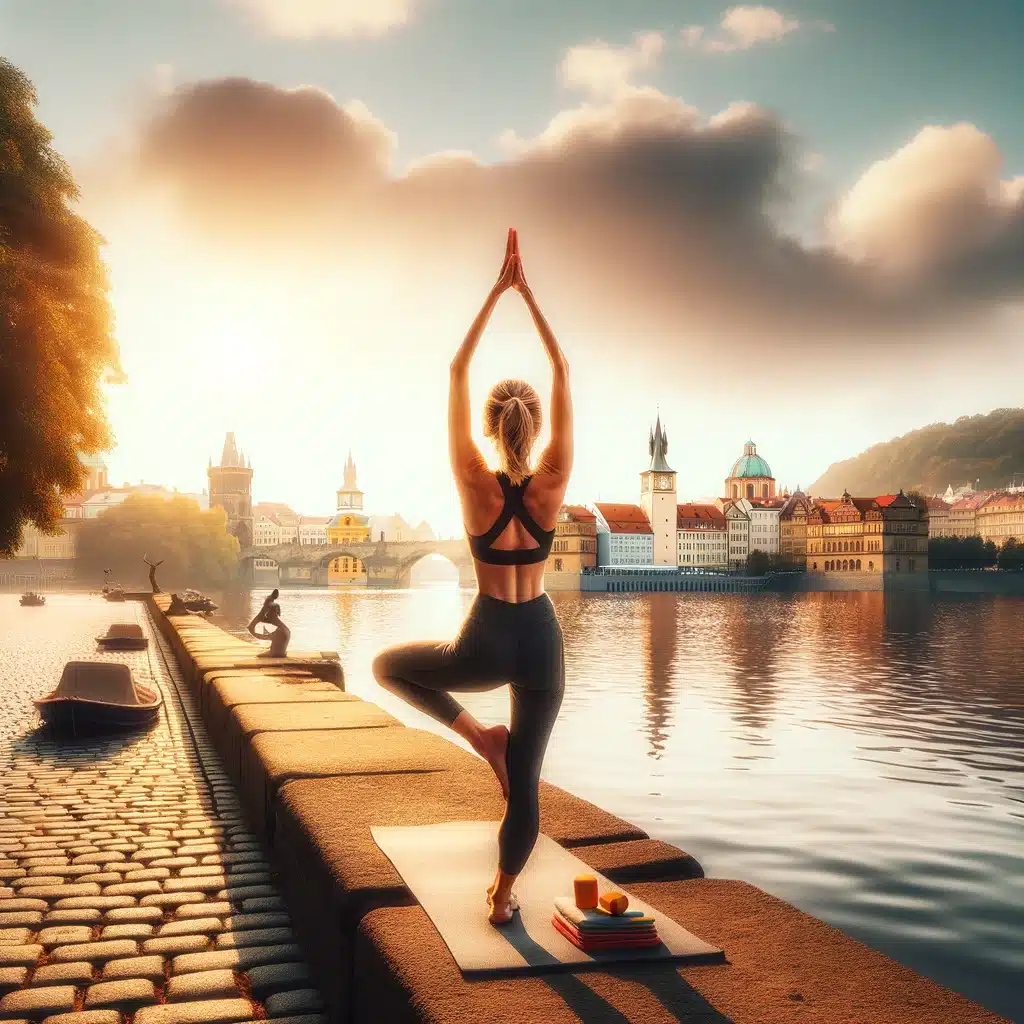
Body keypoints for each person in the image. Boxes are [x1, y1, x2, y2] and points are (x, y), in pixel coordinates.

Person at [372, 229, 573, 926]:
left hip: (486, 639)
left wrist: (497, 292)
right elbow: (564, 370)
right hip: (541, 639)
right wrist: (530, 296)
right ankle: (503, 894)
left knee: (389, 666)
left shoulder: (470, 480)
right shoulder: (552, 481)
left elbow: (457, 371)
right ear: (537, 423)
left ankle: (477, 734)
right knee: (524, 788)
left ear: (490, 425)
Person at [247, 589, 290, 658]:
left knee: (259, 656)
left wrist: (252, 630)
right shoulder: (285, 630)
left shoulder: (278, 632)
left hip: (275, 654)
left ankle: (272, 650)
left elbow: (263, 637)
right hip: (282, 652)